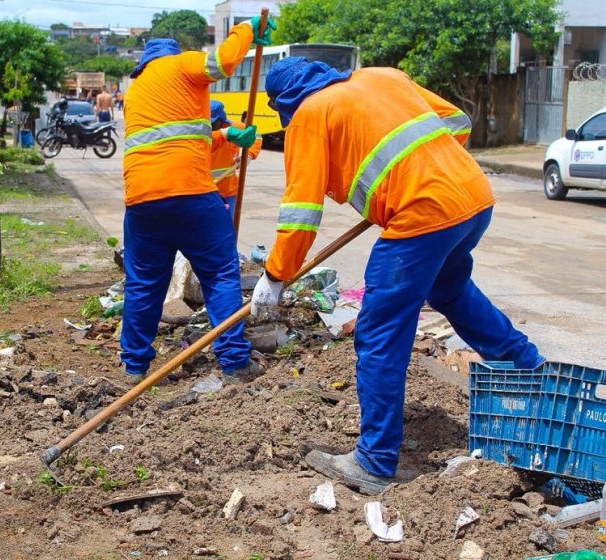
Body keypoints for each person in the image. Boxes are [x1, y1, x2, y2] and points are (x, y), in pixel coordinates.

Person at [251, 57, 545, 494]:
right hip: (472, 196)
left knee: (379, 330)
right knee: (451, 291)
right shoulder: (382, 77)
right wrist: (424, 167)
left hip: (422, 213)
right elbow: (456, 120)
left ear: (285, 104)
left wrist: (275, 275)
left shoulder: (309, 117)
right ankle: (534, 372)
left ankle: (374, 460)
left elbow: (301, 213)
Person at [121, 16, 276, 384]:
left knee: (143, 284)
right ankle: (235, 362)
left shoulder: (137, 91)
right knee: (221, 275)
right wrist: (247, 31)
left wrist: (227, 136)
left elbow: (181, 138)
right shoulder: (182, 64)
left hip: (141, 202)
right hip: (191, 195)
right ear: (173, 54)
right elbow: (221, 62)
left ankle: (134, 366)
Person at [210, 100, 262, 217]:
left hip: (228, 192)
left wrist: (249, 154)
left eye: (213, 123)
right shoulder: (202, 133)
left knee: (227, 227)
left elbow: (257, 136)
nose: (211, 126)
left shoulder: (235, 127)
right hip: (204, 192)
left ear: (221, 119)